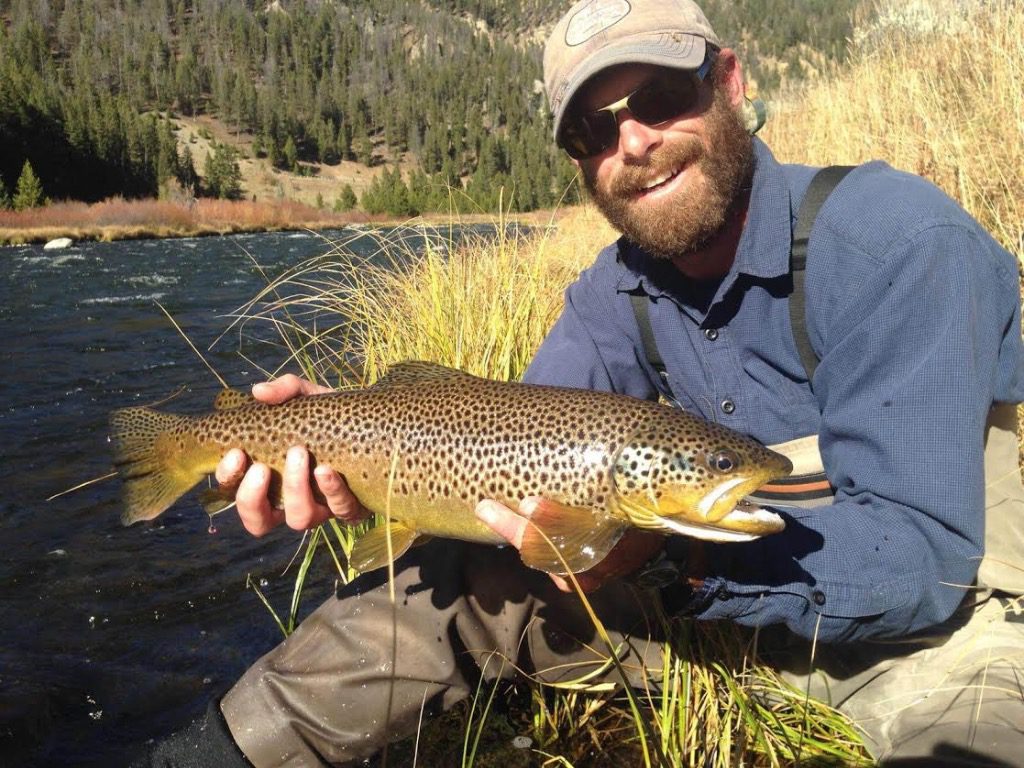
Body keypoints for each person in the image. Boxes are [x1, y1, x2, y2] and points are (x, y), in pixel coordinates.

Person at [145, 0, 1024, 765]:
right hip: (717, 618)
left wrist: (674, 556)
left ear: (729, 80)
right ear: (577, 160)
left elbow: (929, 563)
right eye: (594, 131)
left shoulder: (897, 244)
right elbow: (494, 436)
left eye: (660, 98)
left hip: (938, 637)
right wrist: (349, 439)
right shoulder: (615, 291)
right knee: (448, 570)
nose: (632, 142)